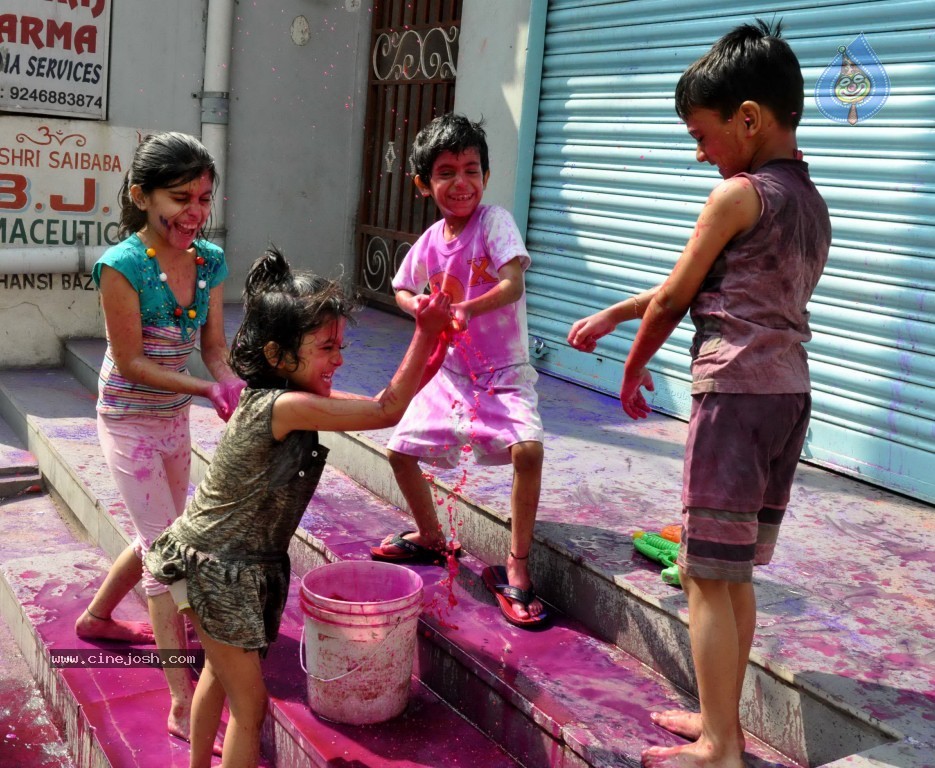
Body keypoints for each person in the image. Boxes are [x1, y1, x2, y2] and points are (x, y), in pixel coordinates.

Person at [568, 20, 830, 768]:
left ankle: (720, 745)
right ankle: (722, 721)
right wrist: (619, 311)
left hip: (734, 399)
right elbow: (719, 281)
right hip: (786, 398)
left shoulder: (737, 196)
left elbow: (675, 299)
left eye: (701, 134)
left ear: (747, 119)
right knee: (729, 575)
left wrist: (631, 363)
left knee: (706, 584)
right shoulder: (807, 202)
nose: (699, 153)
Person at [143, 247, 451, 768]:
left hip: (231, 562)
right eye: (327, 347)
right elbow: (385, 410)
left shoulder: (284, 397)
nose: (339, 360)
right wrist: (424, 329)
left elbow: (384, 401)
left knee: (219, 676)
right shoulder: (283, 406)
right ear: (279, 356)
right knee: (251, 706)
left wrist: (435, 344)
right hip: (217, 566)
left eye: (341, 345)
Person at [74, 132, 245, 746]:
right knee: (167, 554)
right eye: (181, 199)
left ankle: (96, 618)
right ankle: (179, 704)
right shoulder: (121, 266)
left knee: (165, 532)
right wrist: (205, 391)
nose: (195, 214)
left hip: (174, 413)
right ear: (141, 196)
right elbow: (128, 362)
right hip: (128, 417)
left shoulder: (209, 260)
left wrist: (233, 386)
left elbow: (215, 349)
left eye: (204, 198)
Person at [368, 113, 548, 629]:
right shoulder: (430, 239)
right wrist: (418, 306)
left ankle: (516, 564)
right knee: (399, 451)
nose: (461, 182)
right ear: (425, 184)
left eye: (472, 169)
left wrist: (470, 306)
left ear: (486, 177)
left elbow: (512, 284)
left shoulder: (495, 223)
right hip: (452, 377)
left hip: (504, 373)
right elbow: (402, 287)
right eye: (446, 172)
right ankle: (429, 536)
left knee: (528, 449)